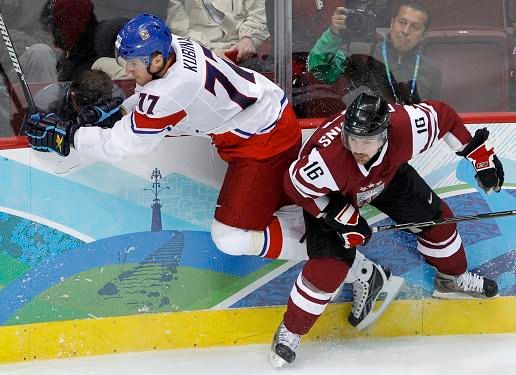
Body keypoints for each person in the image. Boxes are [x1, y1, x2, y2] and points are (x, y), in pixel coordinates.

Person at [24, 14, 404, 333]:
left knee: (232, 236)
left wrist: (70, 138)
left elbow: (125, 144)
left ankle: (356, 268)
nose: (128, 70)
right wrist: (118, 110)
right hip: (258, 122)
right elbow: (151, 102)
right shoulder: (175, 45)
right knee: (287, 217)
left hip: (263, 141)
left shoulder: (173, 88)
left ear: (157, 60)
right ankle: (354, 265)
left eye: (134, 65)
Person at [268, 93, 504, 367]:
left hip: (388, 177)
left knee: (438, 222)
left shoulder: (408, 126)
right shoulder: (326, 160)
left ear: (385, 135)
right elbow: (295, 187)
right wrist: (341, 216)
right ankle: (290, 331)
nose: (357, 147)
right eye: (352, 139)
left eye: (366, 141)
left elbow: (445, 116)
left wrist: (479, 156)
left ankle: (451, 279)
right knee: (329, 268)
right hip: (334, 195)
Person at [308, 1, 441, 104]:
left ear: (424, 35)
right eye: (402, 22)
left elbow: (434, 115)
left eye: (415, 27)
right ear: (392, 23)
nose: (405, 31)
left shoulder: (431, 71)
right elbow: (318, 69)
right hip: (361, 134)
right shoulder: (361, 53)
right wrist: (333, 33)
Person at [39, 0, 129, 81]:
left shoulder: (113, 35)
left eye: (55, 30)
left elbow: (133, 76)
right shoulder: (68, 59)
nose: (53, 38)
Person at [165, 0, 269, 67]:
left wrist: (247, 40)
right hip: (199, 57)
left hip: (243, 56)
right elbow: (178, 29)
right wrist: (210, 51)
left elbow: (257, 16)